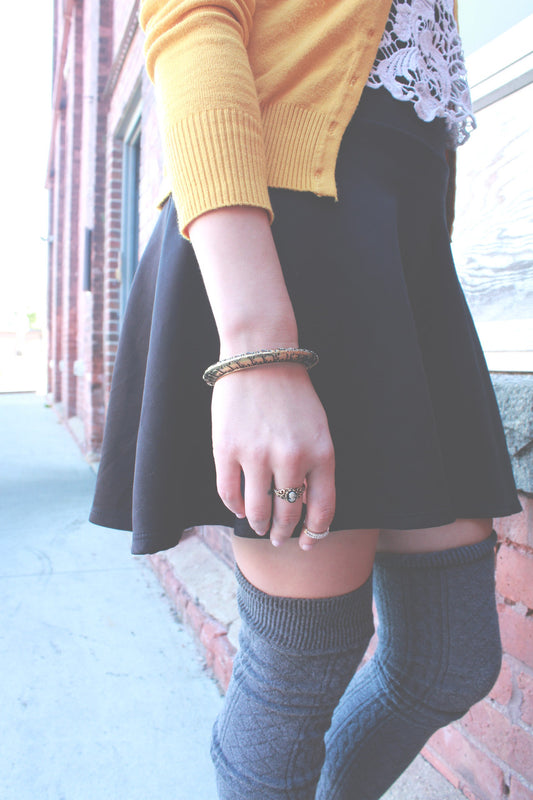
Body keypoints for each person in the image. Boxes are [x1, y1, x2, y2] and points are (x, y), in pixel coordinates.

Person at [90, 1, 522, 797]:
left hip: (399, 269)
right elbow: (192, 21)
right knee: (300, 670)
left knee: (447, 661)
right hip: (286, 251)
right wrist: (258, 349)